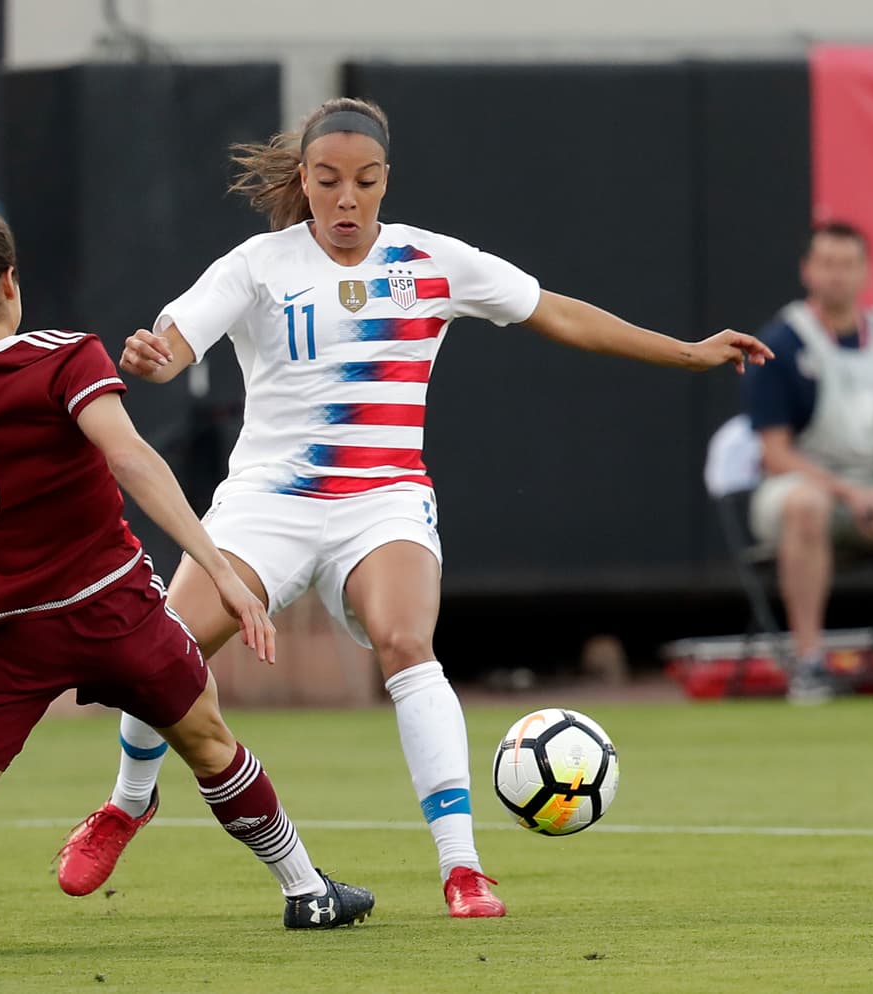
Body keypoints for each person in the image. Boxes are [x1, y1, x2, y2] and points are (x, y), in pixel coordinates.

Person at [55, 97, 773, 917]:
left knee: (405, 642)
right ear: (305, 179)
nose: (346, 200)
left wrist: (687, 353)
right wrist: (153, 358)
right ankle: (127, 802)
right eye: (328, 182)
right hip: (269, 502)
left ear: (386, 180)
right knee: (162, 653)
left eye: (364, 181)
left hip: (382, 500)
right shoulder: (258, 264)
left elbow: (560, 312)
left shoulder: (433, 262)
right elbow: (175, 338)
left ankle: (462, 869)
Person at [0, 121, 375, 960]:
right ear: (10, 281)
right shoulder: (60, 359)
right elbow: (133, 460)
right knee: (210, 745)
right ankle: (306, 889)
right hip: (111, 609)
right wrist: (221, 568)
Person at [744, 220, 873, 703]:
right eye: (827, 263)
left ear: (865, 272)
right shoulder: (782, 342)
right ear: (807, 270)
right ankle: (809, 662)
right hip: (798, 489)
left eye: (847, 264)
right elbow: (776, 454)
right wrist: (851, 493)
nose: (837, 275)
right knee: (808, 506)